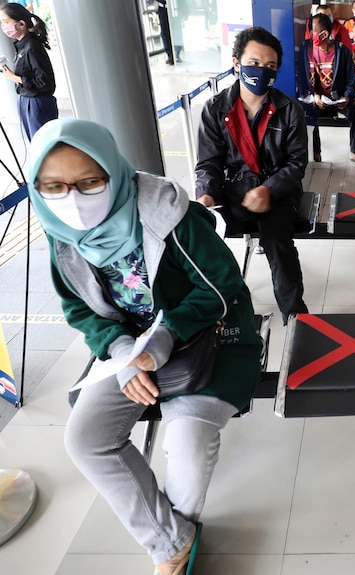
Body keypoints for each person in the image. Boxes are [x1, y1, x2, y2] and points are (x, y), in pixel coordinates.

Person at [27, 118, 262, 575]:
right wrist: (122, 353)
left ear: (113, 173)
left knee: (188, 448)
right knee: (86, 439)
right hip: (129, 352)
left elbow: (221, 285)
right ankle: (175, 542)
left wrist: (164, 337)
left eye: (89, 182)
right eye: (54, 186)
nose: (71, 199)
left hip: (204, 339)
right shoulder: (61, 238)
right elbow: (80, 311)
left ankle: (172, 546)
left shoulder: (168, 215)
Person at [195, 26, 309, 323]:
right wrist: (205, 193)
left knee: (277, 240)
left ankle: (295, 315)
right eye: (254, 63)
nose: (262, 71)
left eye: (270, 66)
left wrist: (268, 190)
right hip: (233, 189)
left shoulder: (289, 109)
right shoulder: (215, 109)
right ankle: (218, 312)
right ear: (237, 63)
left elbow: (297, 163)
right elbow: (208, 163)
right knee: (202, 235)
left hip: (278, 189)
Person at [299, 13, 355, 168]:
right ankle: (315, 153)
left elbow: (351, 81)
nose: (311, 35)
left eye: (313, 31)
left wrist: (347, 98)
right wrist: (314, 95)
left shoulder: (341, 51)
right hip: (316, 98)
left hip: (337, 99)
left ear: (324, 34)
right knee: (305, 114)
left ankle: (354, 151)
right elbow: (303, 81)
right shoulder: (306, 49)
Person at [1, 2, 58, 141]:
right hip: (27, 101)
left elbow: (45, 82)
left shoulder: (32, 47)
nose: (4, 26)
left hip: (37, 103)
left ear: (21, 24)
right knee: (36, 143)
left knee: (43, 145)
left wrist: (15, 78)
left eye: (6, 22)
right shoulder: (22, 45)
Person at [155, 0, 175, 65]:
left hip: (173, 8)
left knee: (173, 31)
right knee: (165, 33)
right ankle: (170, 55)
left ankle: (175, 54)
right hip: (163, 9)